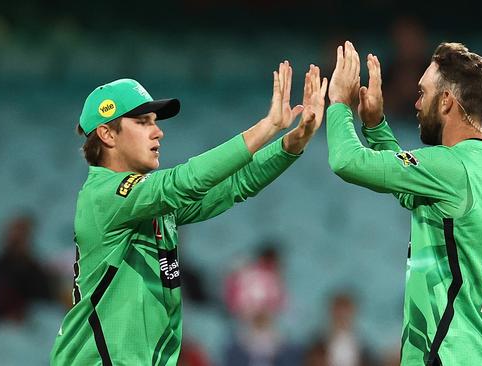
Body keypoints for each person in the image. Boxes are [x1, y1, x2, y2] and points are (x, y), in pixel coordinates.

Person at [50, 62, 328, 365]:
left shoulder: (149, 202)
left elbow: (236, 184)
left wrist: (291, 144)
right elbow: (187, 180)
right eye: (143, 122)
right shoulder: (104, 194)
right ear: (107, 134)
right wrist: (268, 127)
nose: (158, 132)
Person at [326, 41, 482, 364]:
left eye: (423, 92)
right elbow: (412, 188)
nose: (416, 103)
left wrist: (339, 103)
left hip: (449, 356)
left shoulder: (450, 166)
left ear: (446, 101)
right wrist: (375, 126)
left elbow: (346, 161)